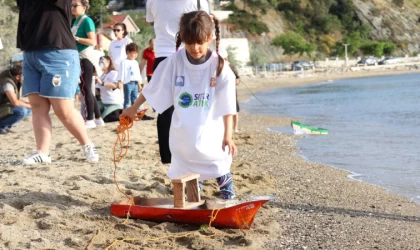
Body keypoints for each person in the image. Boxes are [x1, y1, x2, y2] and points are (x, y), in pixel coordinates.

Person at [121, 11, 237, 200]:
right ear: (182, 38)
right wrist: (134, 108)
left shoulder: (220, 66)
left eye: (200, 42)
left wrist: (228, 136)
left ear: (210, 37)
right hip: (183, 134)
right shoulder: (175, 62)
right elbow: (153, 86)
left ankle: (229, 196)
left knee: (218, 165)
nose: (195, 47)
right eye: (189, 42)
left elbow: (228, 106)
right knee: (188, 170)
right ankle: (194, 198)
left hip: (211, 133)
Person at [17, 0, 99, 164]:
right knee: (38, 106)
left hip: (58, 52)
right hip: (30, 54)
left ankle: (87, 145)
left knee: (63, 109)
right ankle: (42, 152)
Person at [146, 0, 210, 164]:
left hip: (163, 55)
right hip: (190, 54)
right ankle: (192, 152)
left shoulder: (152, 1)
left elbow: (152, 21)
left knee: (165, 109)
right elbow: (205, 28)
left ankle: (170, 159)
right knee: (192, 104)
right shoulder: (198, 1)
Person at [71, 0, 104, 128]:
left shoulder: (87, 21)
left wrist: (77, 39)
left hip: (86, 57)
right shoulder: (76, 21)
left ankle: (90, 119)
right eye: (71, 5)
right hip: (80, 57)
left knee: (86, 88)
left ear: (84, 7)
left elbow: (92, 41)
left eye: (75, 5)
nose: (72, 8)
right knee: (86, 88)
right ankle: (98, 118)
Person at [0, 64, 32, 134]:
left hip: (4, 106)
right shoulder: (7, 83)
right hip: (2, 107)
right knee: (22, 111)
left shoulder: (13, 80)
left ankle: (6, 126)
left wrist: (28, 104)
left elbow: (16, 100)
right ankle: (1, 126)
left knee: (29, 109)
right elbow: (15, 102)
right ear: (18, 77)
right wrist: (30, 105)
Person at [95, 56, 123, 123]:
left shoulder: (114, 73)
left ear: (108, 62)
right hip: (103, 103)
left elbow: (115, 85)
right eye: (100, 62)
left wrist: (102, 83)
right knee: (92, 109)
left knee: (105, 118)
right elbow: (98, 92)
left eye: (102, 62)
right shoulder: (101, 76)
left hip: (114, 103)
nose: (101, 64)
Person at [219, 49, 240, 132]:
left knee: (234, 109)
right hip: (219, 91)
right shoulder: (216, 66)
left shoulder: (232, 67)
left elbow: (238, 79)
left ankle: (235, 128)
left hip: (231, 91)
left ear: (226, 59)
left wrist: (231, 82)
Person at [117, 43, 142, 109]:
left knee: (135, 99)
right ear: (128, 52)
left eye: (136, 53)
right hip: (128, 83)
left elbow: (138, 74)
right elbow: (121, 72)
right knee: (127, 100)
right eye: (134, 53)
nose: (135, 55)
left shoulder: (135, 62)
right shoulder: (124, 62)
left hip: (135, 83)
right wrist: (119, 82)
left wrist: (139, 84)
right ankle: (125, 115)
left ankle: (134, 113)